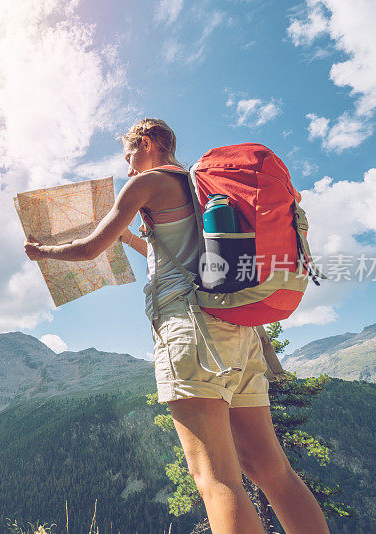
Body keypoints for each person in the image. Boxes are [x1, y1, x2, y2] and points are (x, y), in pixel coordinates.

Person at [23, 118, 329, 534]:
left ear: (146, 143)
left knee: (216, 477)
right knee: (271, 471)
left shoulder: (145, 184)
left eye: (129, 156)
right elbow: (165, 248)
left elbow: (90, 247)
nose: (128, 169)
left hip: (191, 330)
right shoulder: (198, 188)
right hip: (239, 332)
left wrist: (44, 251)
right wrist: (134, 235)